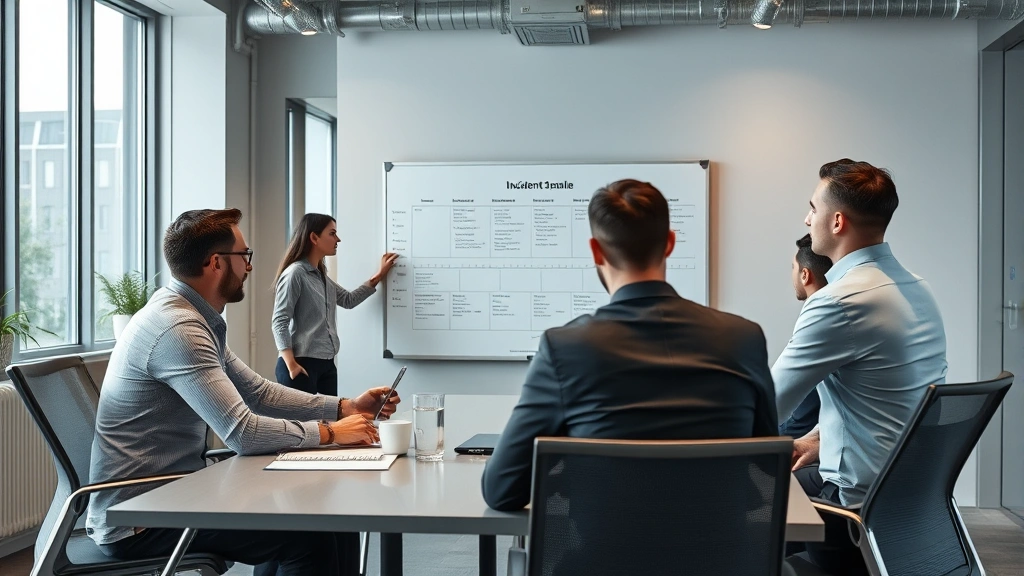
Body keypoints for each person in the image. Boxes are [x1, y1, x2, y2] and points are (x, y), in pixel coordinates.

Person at [87, 208, 401, 575]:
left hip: (175, 493)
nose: (250, 267)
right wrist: (330, 433)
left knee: (330, 516)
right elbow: (243, 433)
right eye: (245, 256)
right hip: (141, 518)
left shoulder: (194, 318)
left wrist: (346, 406)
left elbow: (259, 393)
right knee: (308, 536)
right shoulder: (178, 329)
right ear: (216, 263)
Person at [481, 179, 778, 512]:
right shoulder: (743, 338)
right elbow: (768, 463)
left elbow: (503, 490)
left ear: (596, 251)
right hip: (725, 561)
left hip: (599, 562)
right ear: (669, 243)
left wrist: (571, 474)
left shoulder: (565, 348)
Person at [773, 160, 947, 574]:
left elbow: (763, 404)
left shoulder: (839, 301)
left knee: (729, 512)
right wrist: (819, 437)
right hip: (905, 500)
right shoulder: (917, 288)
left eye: (812, 207)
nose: (806, 218)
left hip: (850, 508)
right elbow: (889, 397)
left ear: (836, 221)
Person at [272, 213, 398, 396]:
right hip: (301, 364)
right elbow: (279, 321)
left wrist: (379, 275)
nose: (337, 239)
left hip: (327, 364)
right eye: (332, 233)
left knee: (331, 424)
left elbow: (348, 300)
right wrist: (291, 364)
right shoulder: (295, 274)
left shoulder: (321, 278)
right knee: (303, 425)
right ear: (314, 237)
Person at [778, 234, 832, 438]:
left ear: (805, 275)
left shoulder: (823, 316)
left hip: (798, 434)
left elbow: (776, 400)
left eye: (793, 267)